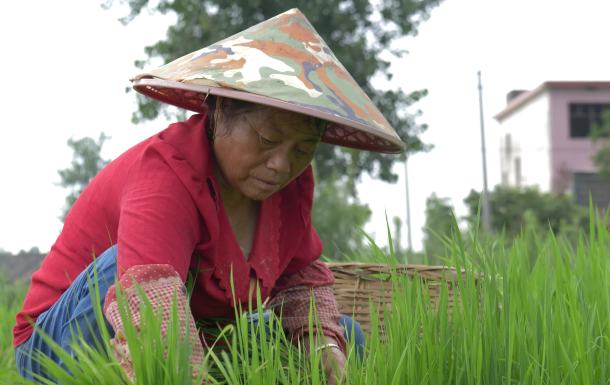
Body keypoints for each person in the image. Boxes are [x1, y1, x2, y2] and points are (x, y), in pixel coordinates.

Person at [13, 8, 405, 384]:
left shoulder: (292, 186)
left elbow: (299, 280)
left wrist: (325, 352)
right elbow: (156, 312)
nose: (282, 165)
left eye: (302, 150)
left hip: (200, 330)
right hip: (59, 342)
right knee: (127, 267)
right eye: (267, 139)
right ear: (218, 112)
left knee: (343, 336)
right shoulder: (166, 174)